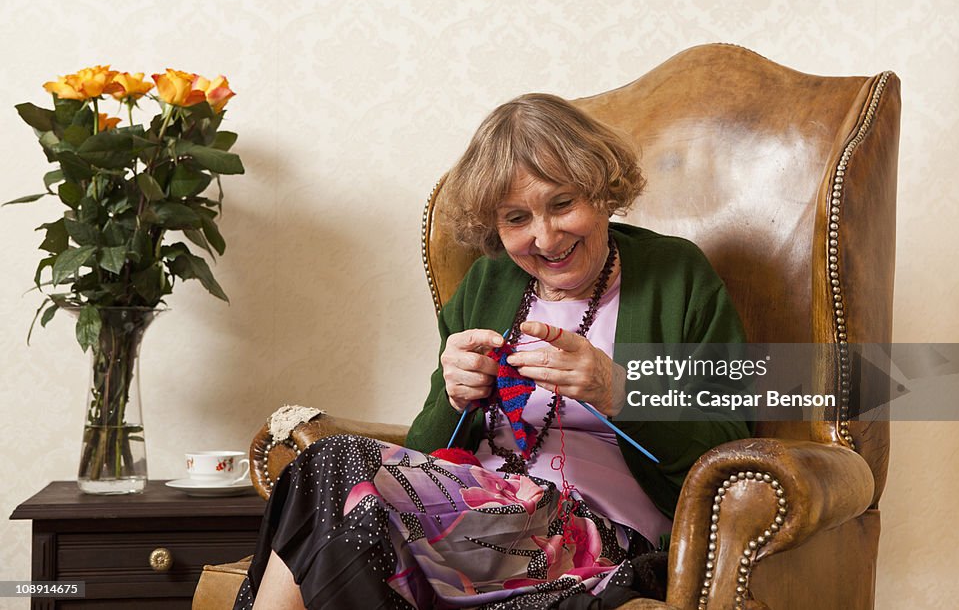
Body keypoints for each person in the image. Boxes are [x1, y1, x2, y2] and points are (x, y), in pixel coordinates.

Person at [236, 94, 750, 610]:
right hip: (470, 517)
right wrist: (455, 400)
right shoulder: (488, 284)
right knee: (333, 476)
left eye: (563, 203)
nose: (544, 237)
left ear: (602, 192)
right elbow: (425, 449)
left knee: (334, 474)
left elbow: (730, 449)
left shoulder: (676, 276)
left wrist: (618, 390)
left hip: (594, 539)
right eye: (516, 218)